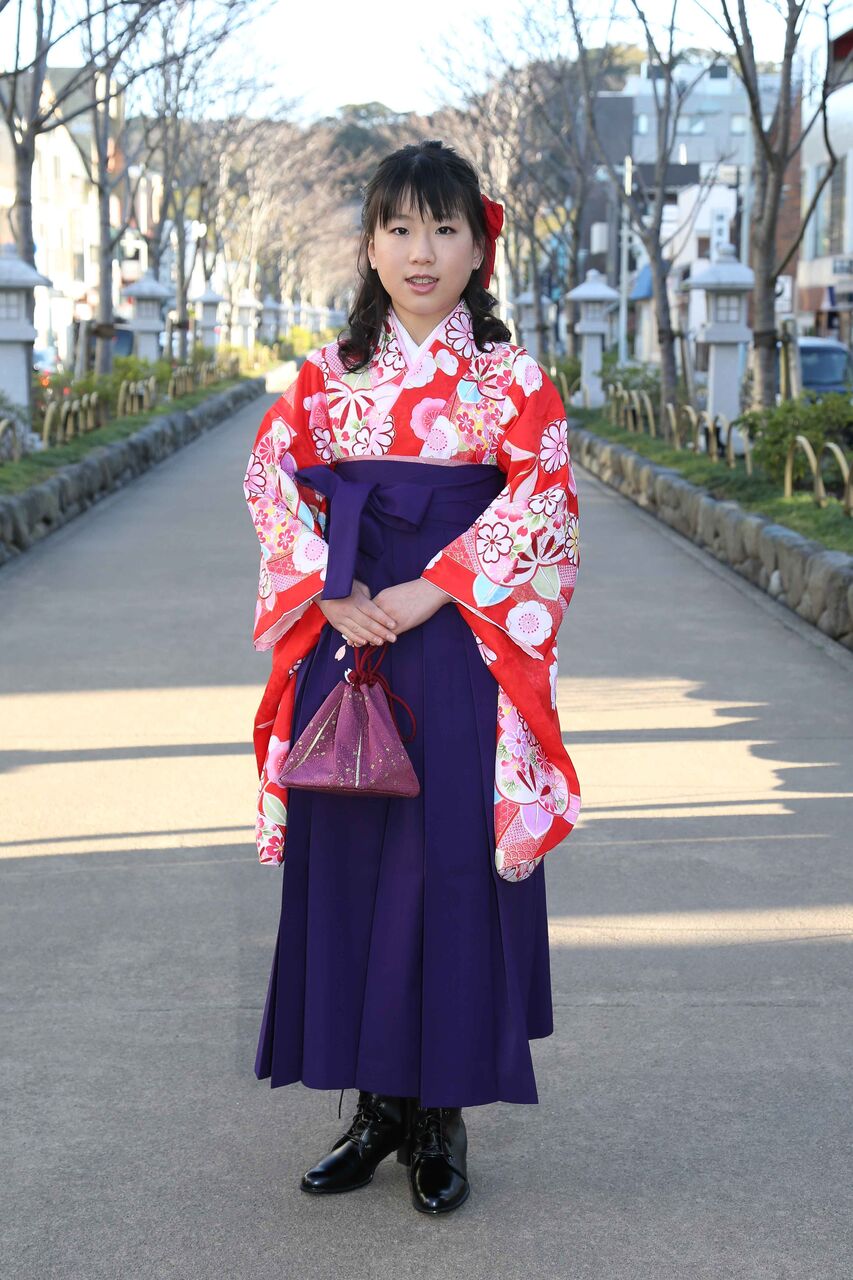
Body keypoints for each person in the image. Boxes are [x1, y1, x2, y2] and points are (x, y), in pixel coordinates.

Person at [242, 140, 582, 1216]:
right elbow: (269, 481)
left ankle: (440, 1114)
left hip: (457, 642)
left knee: (448, 869)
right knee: (349, 865)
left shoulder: (511, 379)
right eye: (399, 228)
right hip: (349, 638)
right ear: (370, 245)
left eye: (444, 228)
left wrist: (435, 588)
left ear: (480, 247)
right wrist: (328, 589)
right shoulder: (324, 376)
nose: (421, 251)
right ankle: (376, 1105)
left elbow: (543, 501)